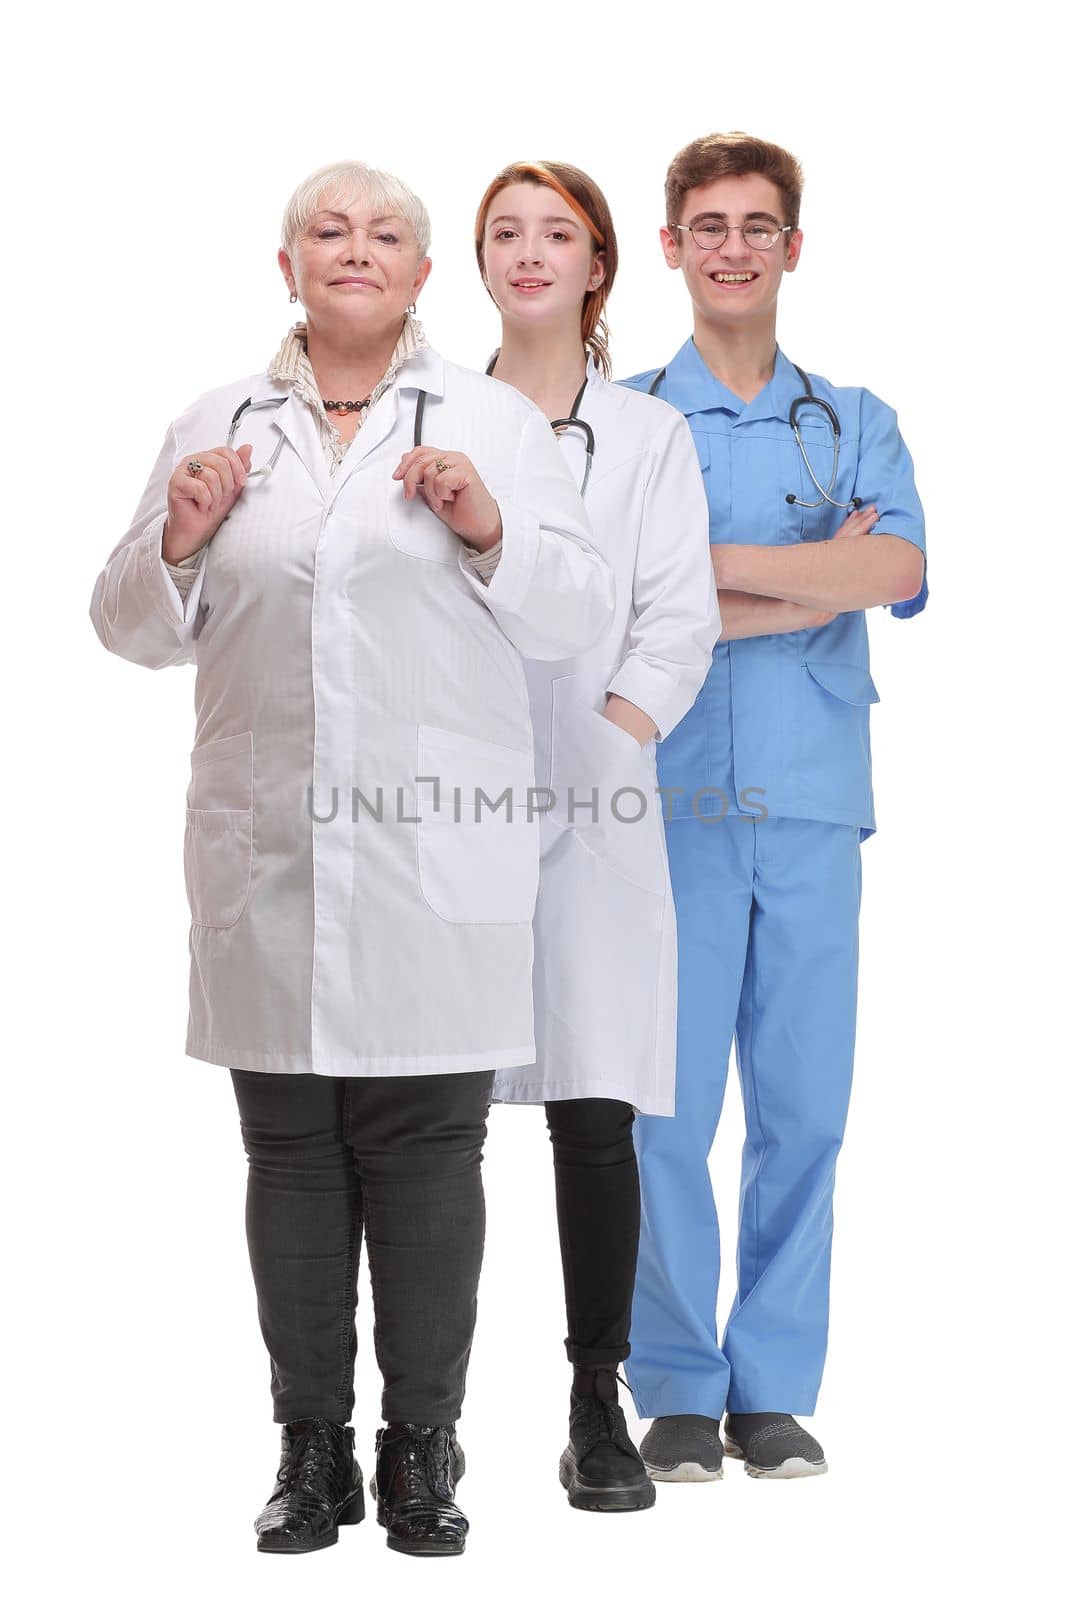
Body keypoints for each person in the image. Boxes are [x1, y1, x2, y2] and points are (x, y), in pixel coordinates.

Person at [89, 159, 614, 1558]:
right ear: (289, 266)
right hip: (268, 860)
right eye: (329, 229)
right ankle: (312, 1449)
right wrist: (181, 539)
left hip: (434, 864)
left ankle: (423, 1452)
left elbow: (576, 614)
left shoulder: (496, 421)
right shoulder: (216, 424)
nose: (356, 248)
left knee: (429, 1157)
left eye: (387, 233)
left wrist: (489, 525)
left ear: (424, 278)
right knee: (292, 1155)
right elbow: (126, 624)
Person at [621, 132, 927, 1482]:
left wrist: (713, 578)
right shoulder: (626, 422)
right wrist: (814, 570)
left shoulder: (857, 415)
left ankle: (774, 1386)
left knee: (805, 1108)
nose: (734, 246)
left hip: (809, 802)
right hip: (666, 802)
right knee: (666, 1112)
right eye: (708, 225)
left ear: (792, 248)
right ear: (674, 246)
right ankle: (680, 1381)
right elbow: (621, 607)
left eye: (759, 225)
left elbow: (901, 567)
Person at [475, 161, 719, 1510]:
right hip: (440, 805)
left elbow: (678, 612)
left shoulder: (647, 437)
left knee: (594, 1111)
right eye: (504, 233)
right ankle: (421, 1417)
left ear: (598, 266)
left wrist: (612, 733)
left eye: (554, 233)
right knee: (425, 1114)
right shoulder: (434, 414)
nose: (527, 253)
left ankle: (595, 1406)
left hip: (598, 803)